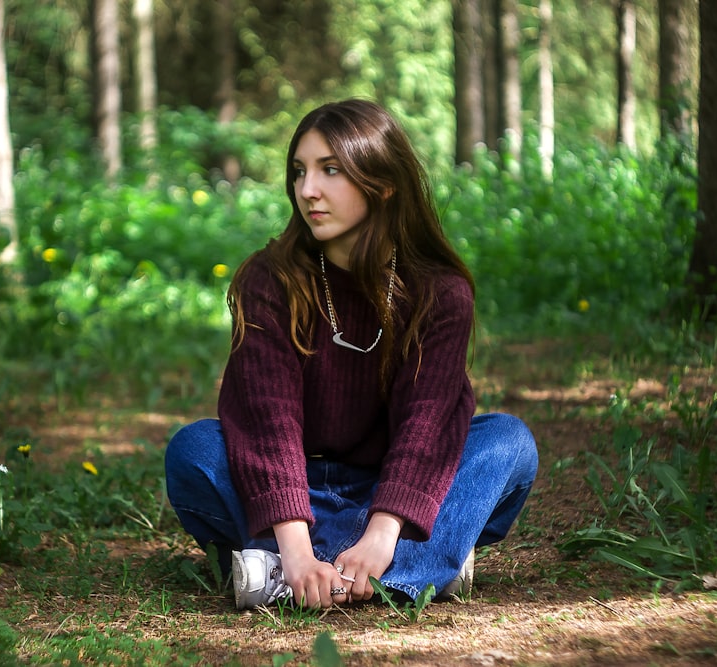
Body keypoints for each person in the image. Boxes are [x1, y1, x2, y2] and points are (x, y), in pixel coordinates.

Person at [165, 99, 538, 610]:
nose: (307, 190)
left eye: (330, 170)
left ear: (382, 183)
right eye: (299, 172)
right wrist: (295, 546)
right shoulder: (270, 280)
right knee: (195, 450)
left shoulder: (439, 291)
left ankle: (293, 572)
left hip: (397, 492)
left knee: (508, 443)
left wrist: (383, 530)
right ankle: (416, 566)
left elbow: (427, 426)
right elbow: (265, 420)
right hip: (294, 491)